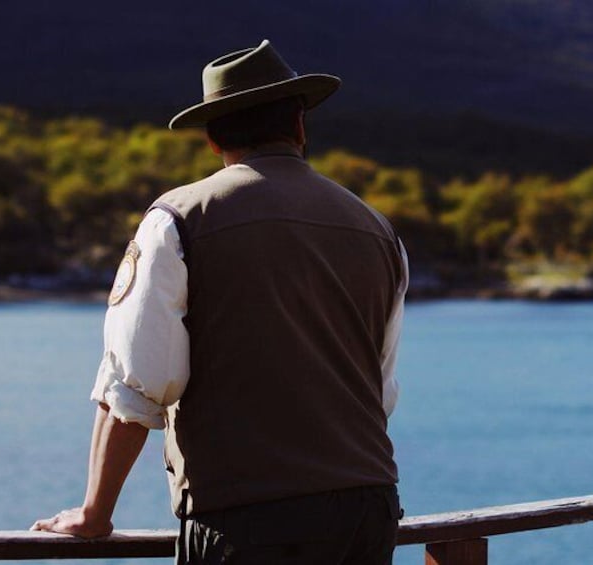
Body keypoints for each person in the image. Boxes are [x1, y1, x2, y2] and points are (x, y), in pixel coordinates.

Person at [32, 39, 409, 565]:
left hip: (247, 516)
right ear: (299, 127)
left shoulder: (178, 220)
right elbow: (378, 390)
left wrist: (95, 513)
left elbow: (137, 385)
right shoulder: (378, 231)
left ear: (212, 138)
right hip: (366, 510)